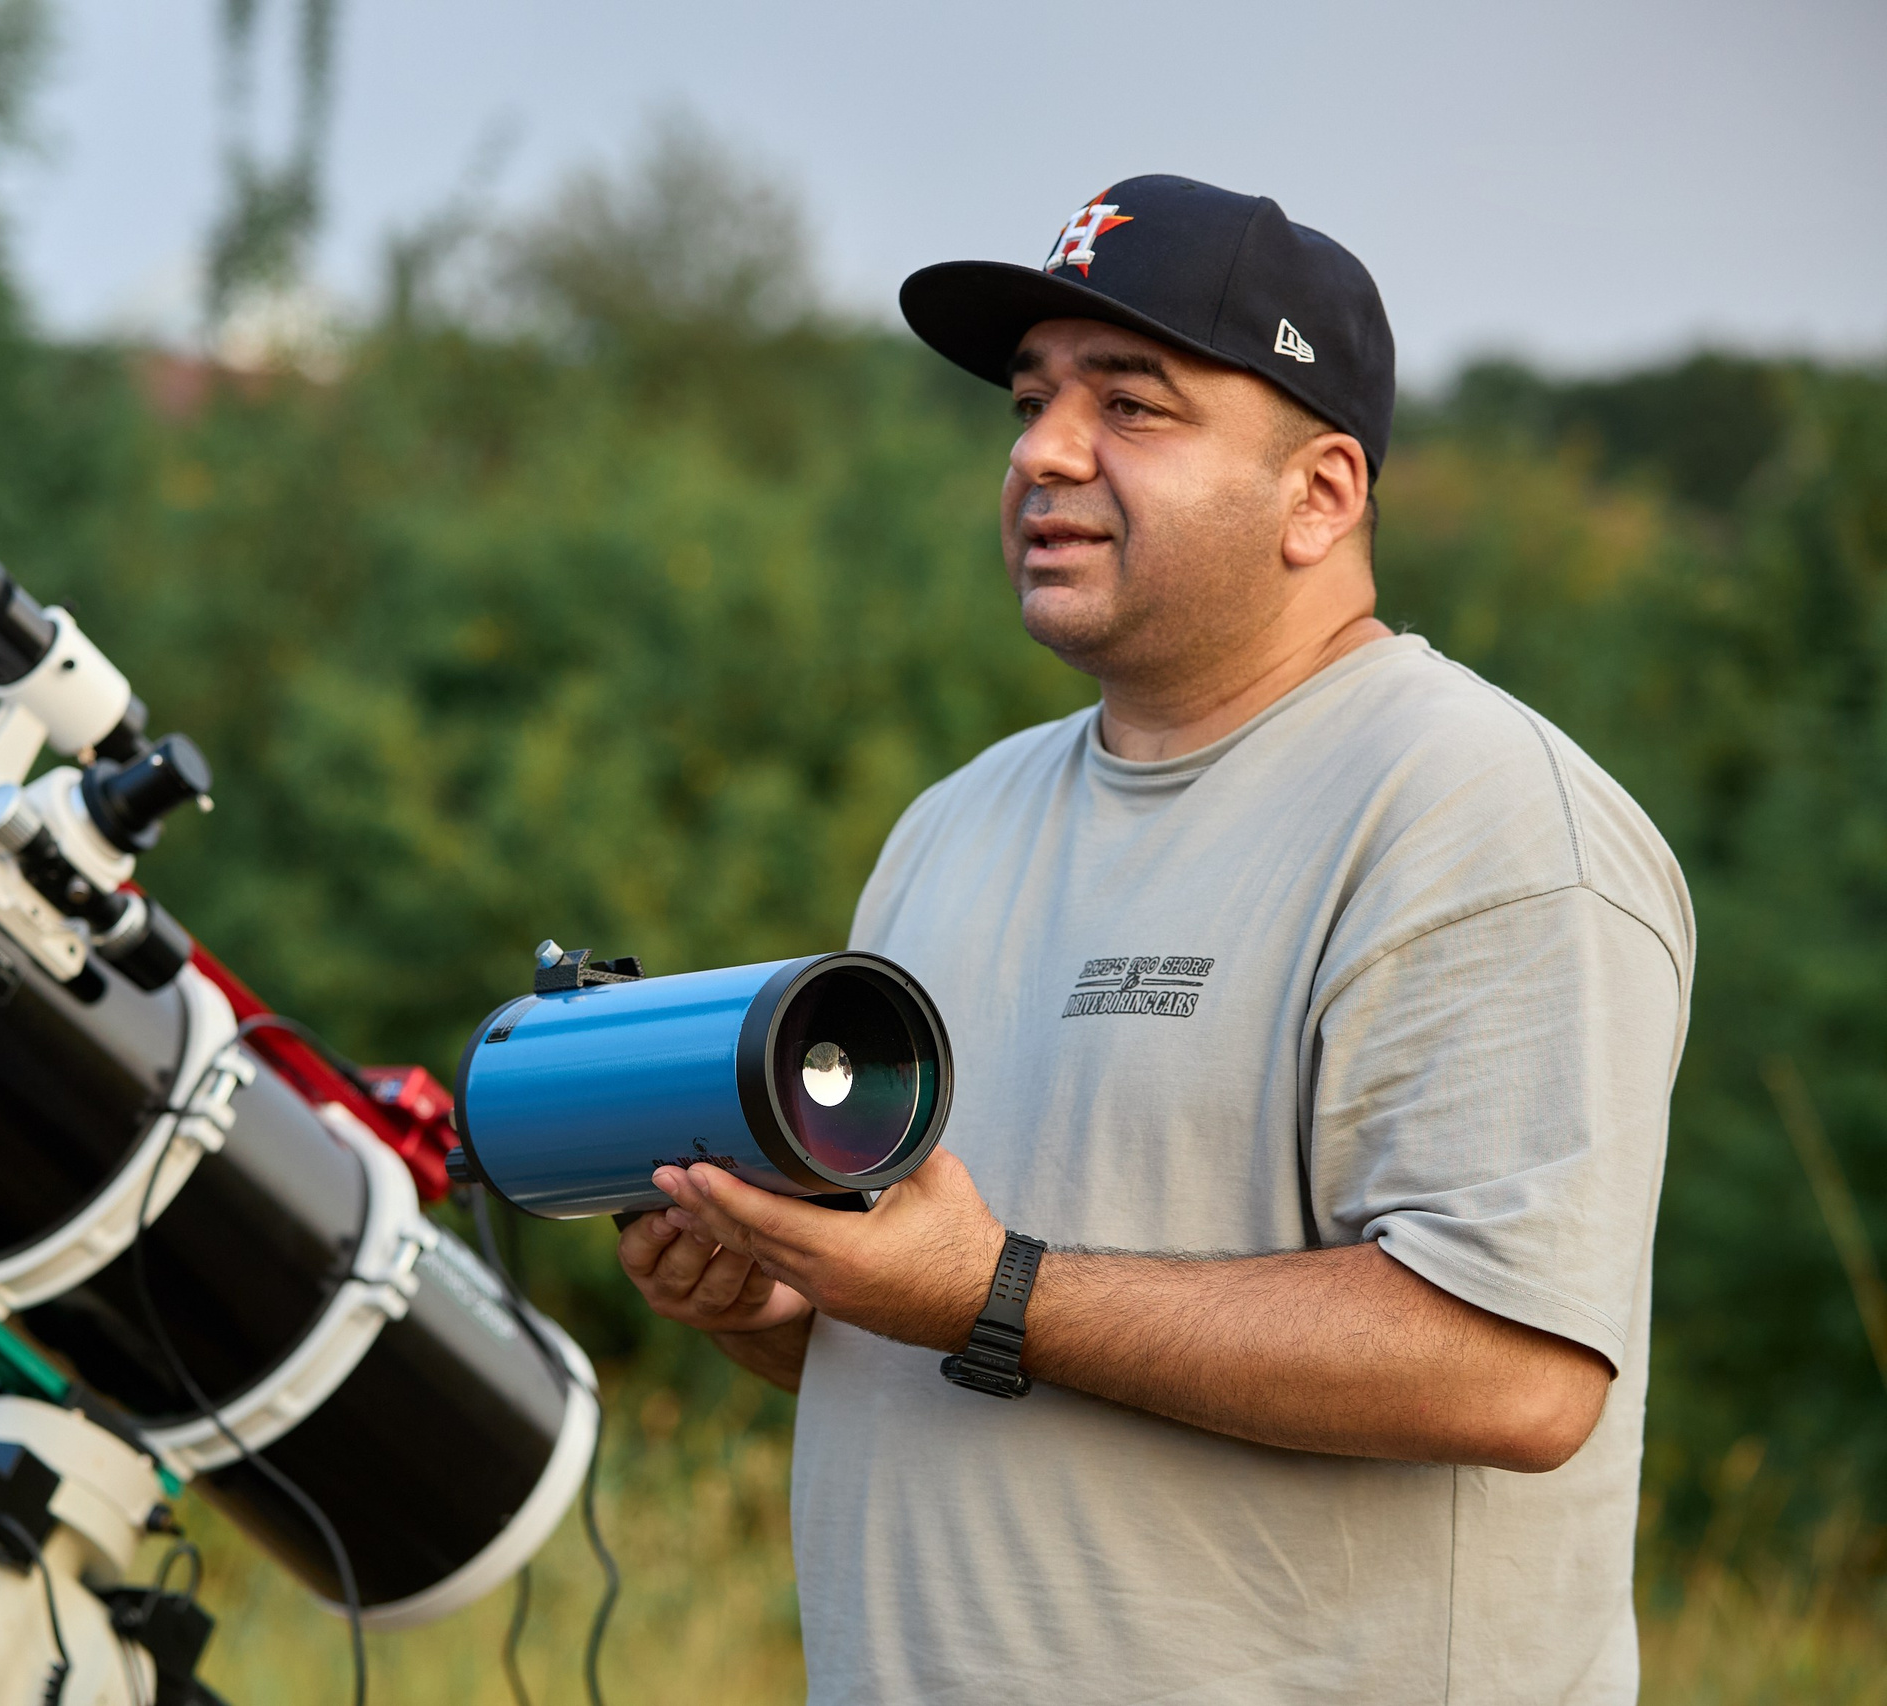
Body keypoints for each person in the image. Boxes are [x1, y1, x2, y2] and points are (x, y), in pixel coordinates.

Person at [616, 175, 1691, 1705]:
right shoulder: (953, 823)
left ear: (1320, 494)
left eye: (1134, 404)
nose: (1043, 452)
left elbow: (1512, 1366)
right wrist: (791, 1304)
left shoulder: (1479, 814)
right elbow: (964, 1336)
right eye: (1032, 399)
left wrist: (987, 1284)